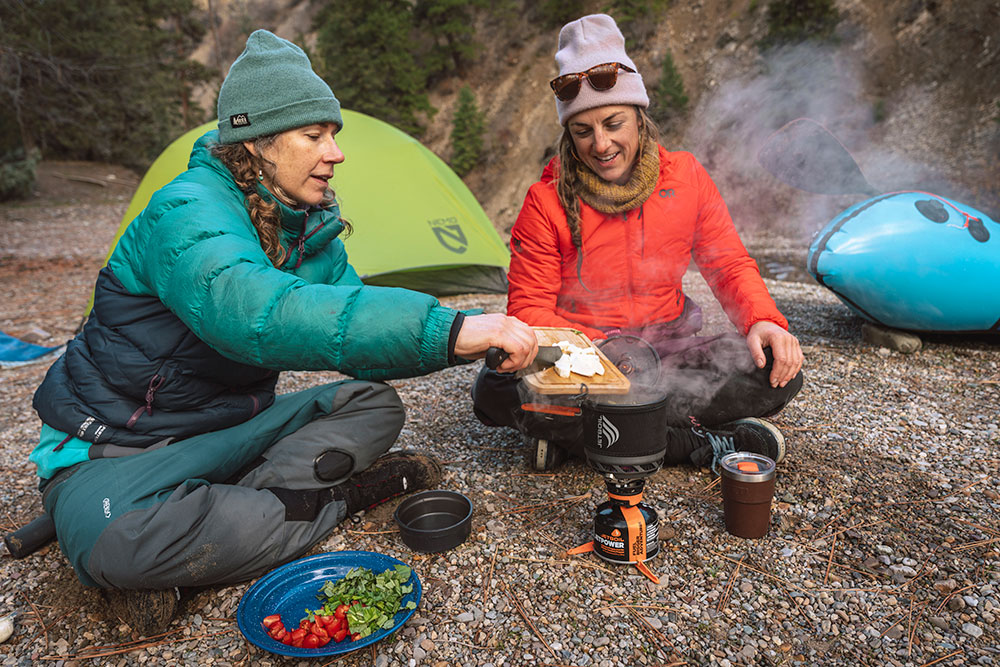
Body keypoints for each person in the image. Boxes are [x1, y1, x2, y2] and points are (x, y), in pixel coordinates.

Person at [28, 30, 537, 636]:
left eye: (334, 135)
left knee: (369, 403)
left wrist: (470, 344)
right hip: (118, 451)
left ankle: (225, 524)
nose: (336, 153)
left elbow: (357, 323)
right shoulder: (187, 209)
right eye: (314, 135)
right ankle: (343, 499)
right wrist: (452, 327)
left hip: (232, 434)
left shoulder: (308, 231)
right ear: (259, 143)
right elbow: (252, 313)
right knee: (116, 542)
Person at [472, 14, 804, 471]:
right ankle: (694, 444)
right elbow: (529, 310)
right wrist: (598, 356)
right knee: (494, 390)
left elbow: (727, 263)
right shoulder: (545, 201)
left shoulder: (685, 178)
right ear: (568, 134)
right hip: (583, 362)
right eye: (582, 131)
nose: (601, 144)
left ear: (639, 117)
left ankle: (577, 436)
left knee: (775, 370)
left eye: (613, 123)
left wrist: (763, 320)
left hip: (668, 352)